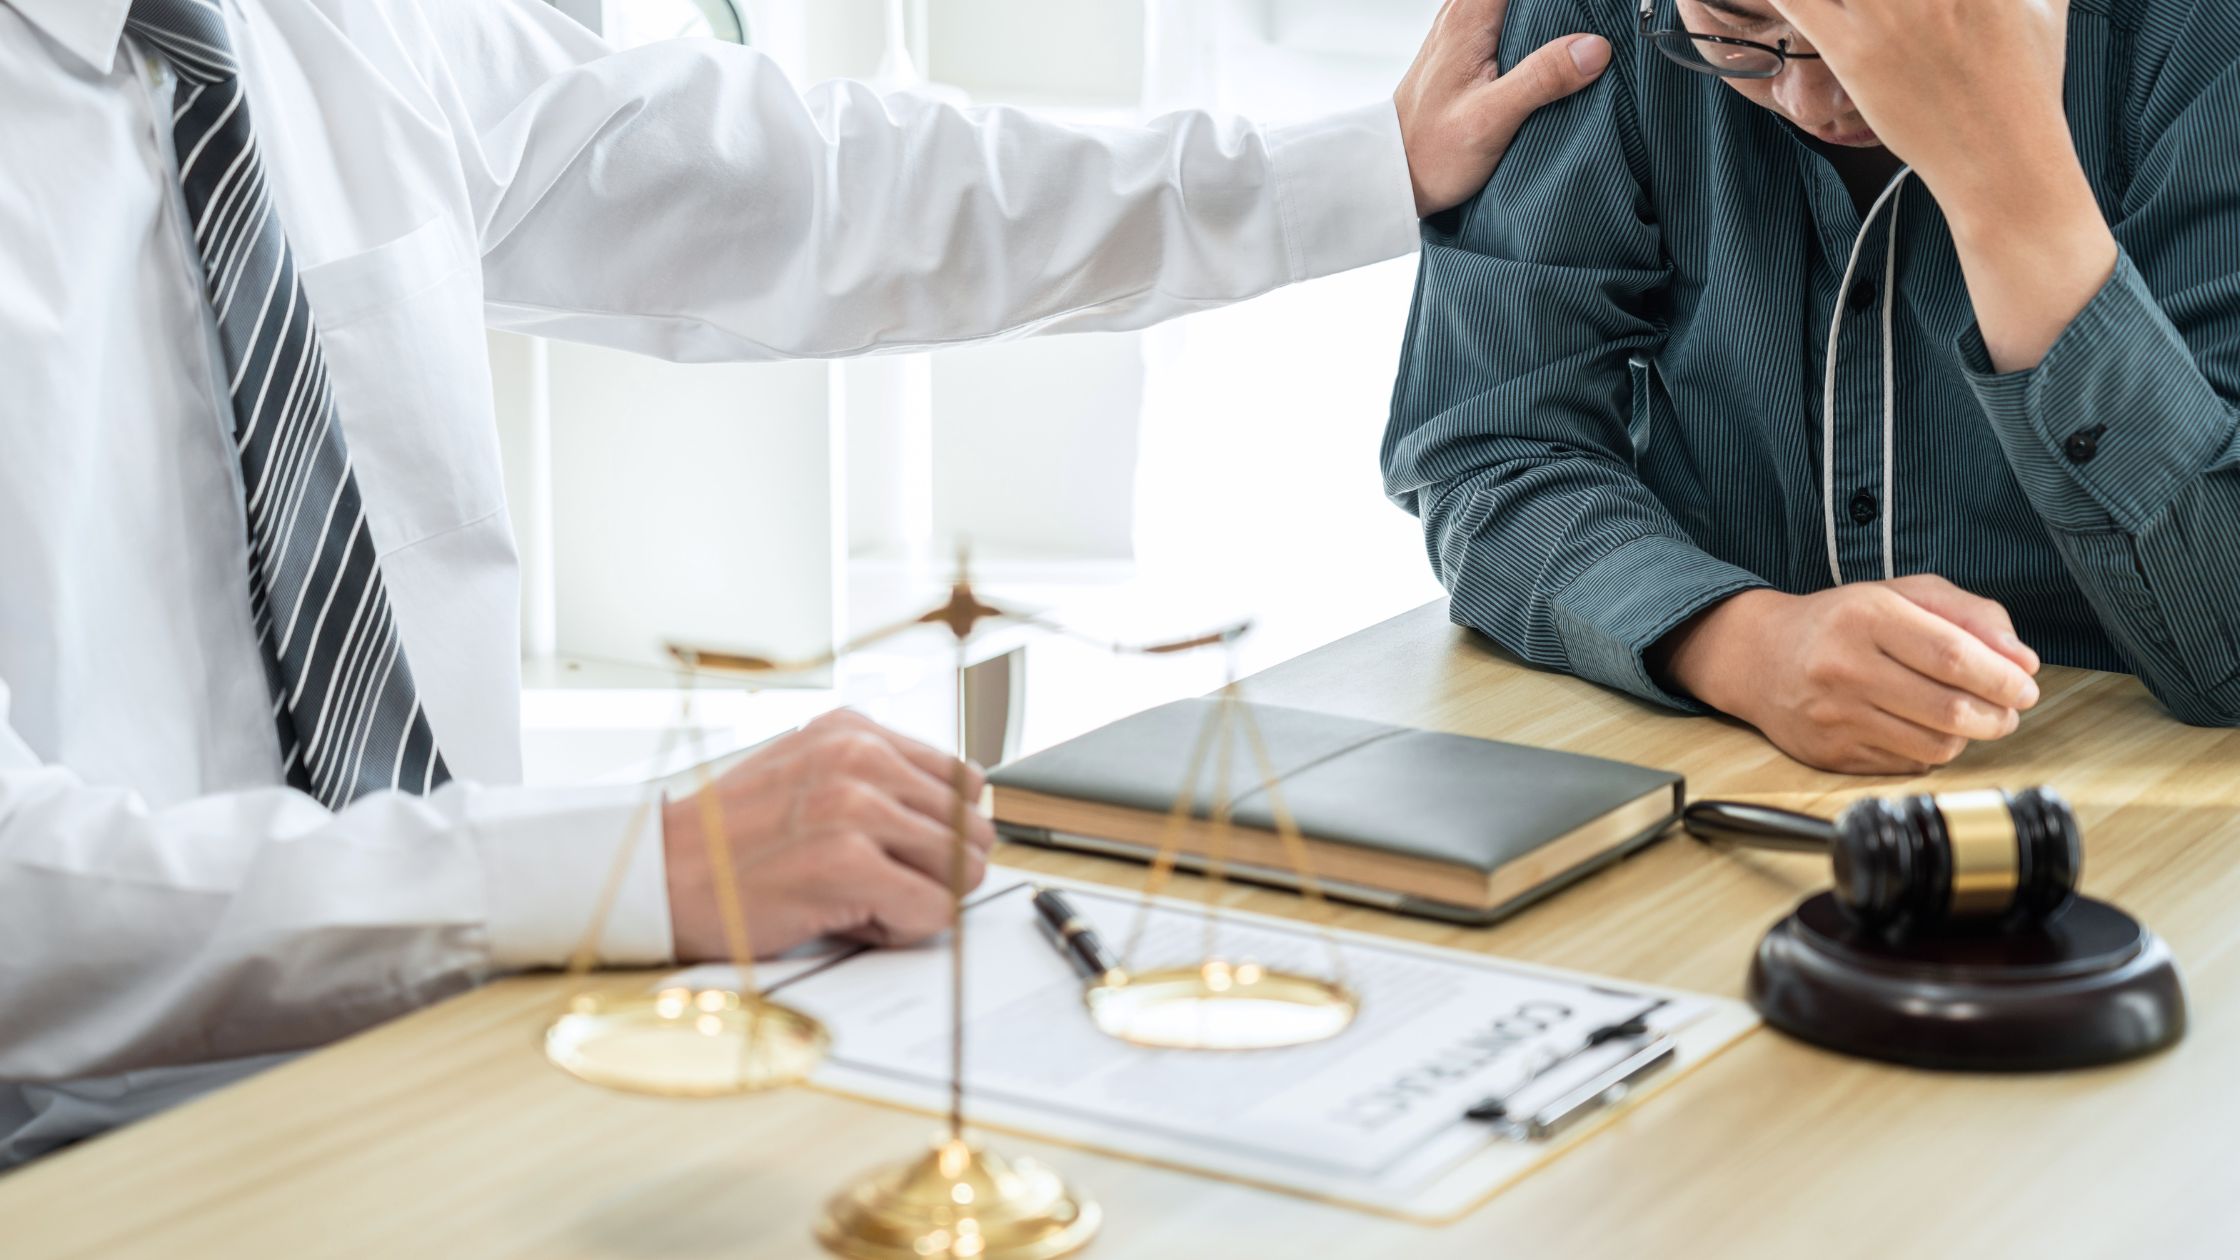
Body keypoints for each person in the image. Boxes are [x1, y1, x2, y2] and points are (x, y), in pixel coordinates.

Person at [0, 0, 1611, 1165]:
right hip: (85, 1151)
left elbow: (808, 187)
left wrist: (1352, 167)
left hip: (439, 1065)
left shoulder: (314, 33)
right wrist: (635, 861)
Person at [1383, 0, 2240, 775]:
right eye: (1740, 26)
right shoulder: (1596, 23)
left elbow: (2226, 655)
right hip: (1722, 768)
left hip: (2132, 793)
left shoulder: (2198, 37)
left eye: (1868, 24)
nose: (1815, 101)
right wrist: (1742, 644)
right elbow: (1488, 450)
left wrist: (2006, 183)